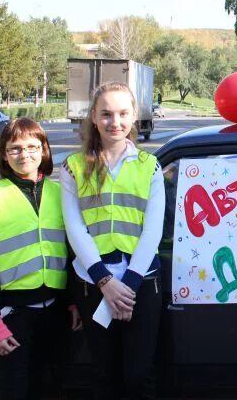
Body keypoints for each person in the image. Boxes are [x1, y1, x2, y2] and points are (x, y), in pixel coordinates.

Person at [61, 81, 165, 400]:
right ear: (93, 116)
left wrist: (128, 284)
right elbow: (74, 227)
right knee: (104, 376)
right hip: (92, 283)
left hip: (142, 283)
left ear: (134, 116)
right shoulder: (73, 167)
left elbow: (153, 229)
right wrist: (105, 282)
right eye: (106, 113)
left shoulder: (151, 167)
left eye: (122, 113)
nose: (114, 122)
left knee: (137, 376)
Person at [0, 117, 82, 400]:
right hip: (15, 316)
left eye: (33, 146)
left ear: (45, 150)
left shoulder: (61, 193)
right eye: (15, 148)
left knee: (53, 386)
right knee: (17, 389)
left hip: (56, 312)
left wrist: (73, 302)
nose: (25, 155)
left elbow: (72, 253)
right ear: (4, 154)